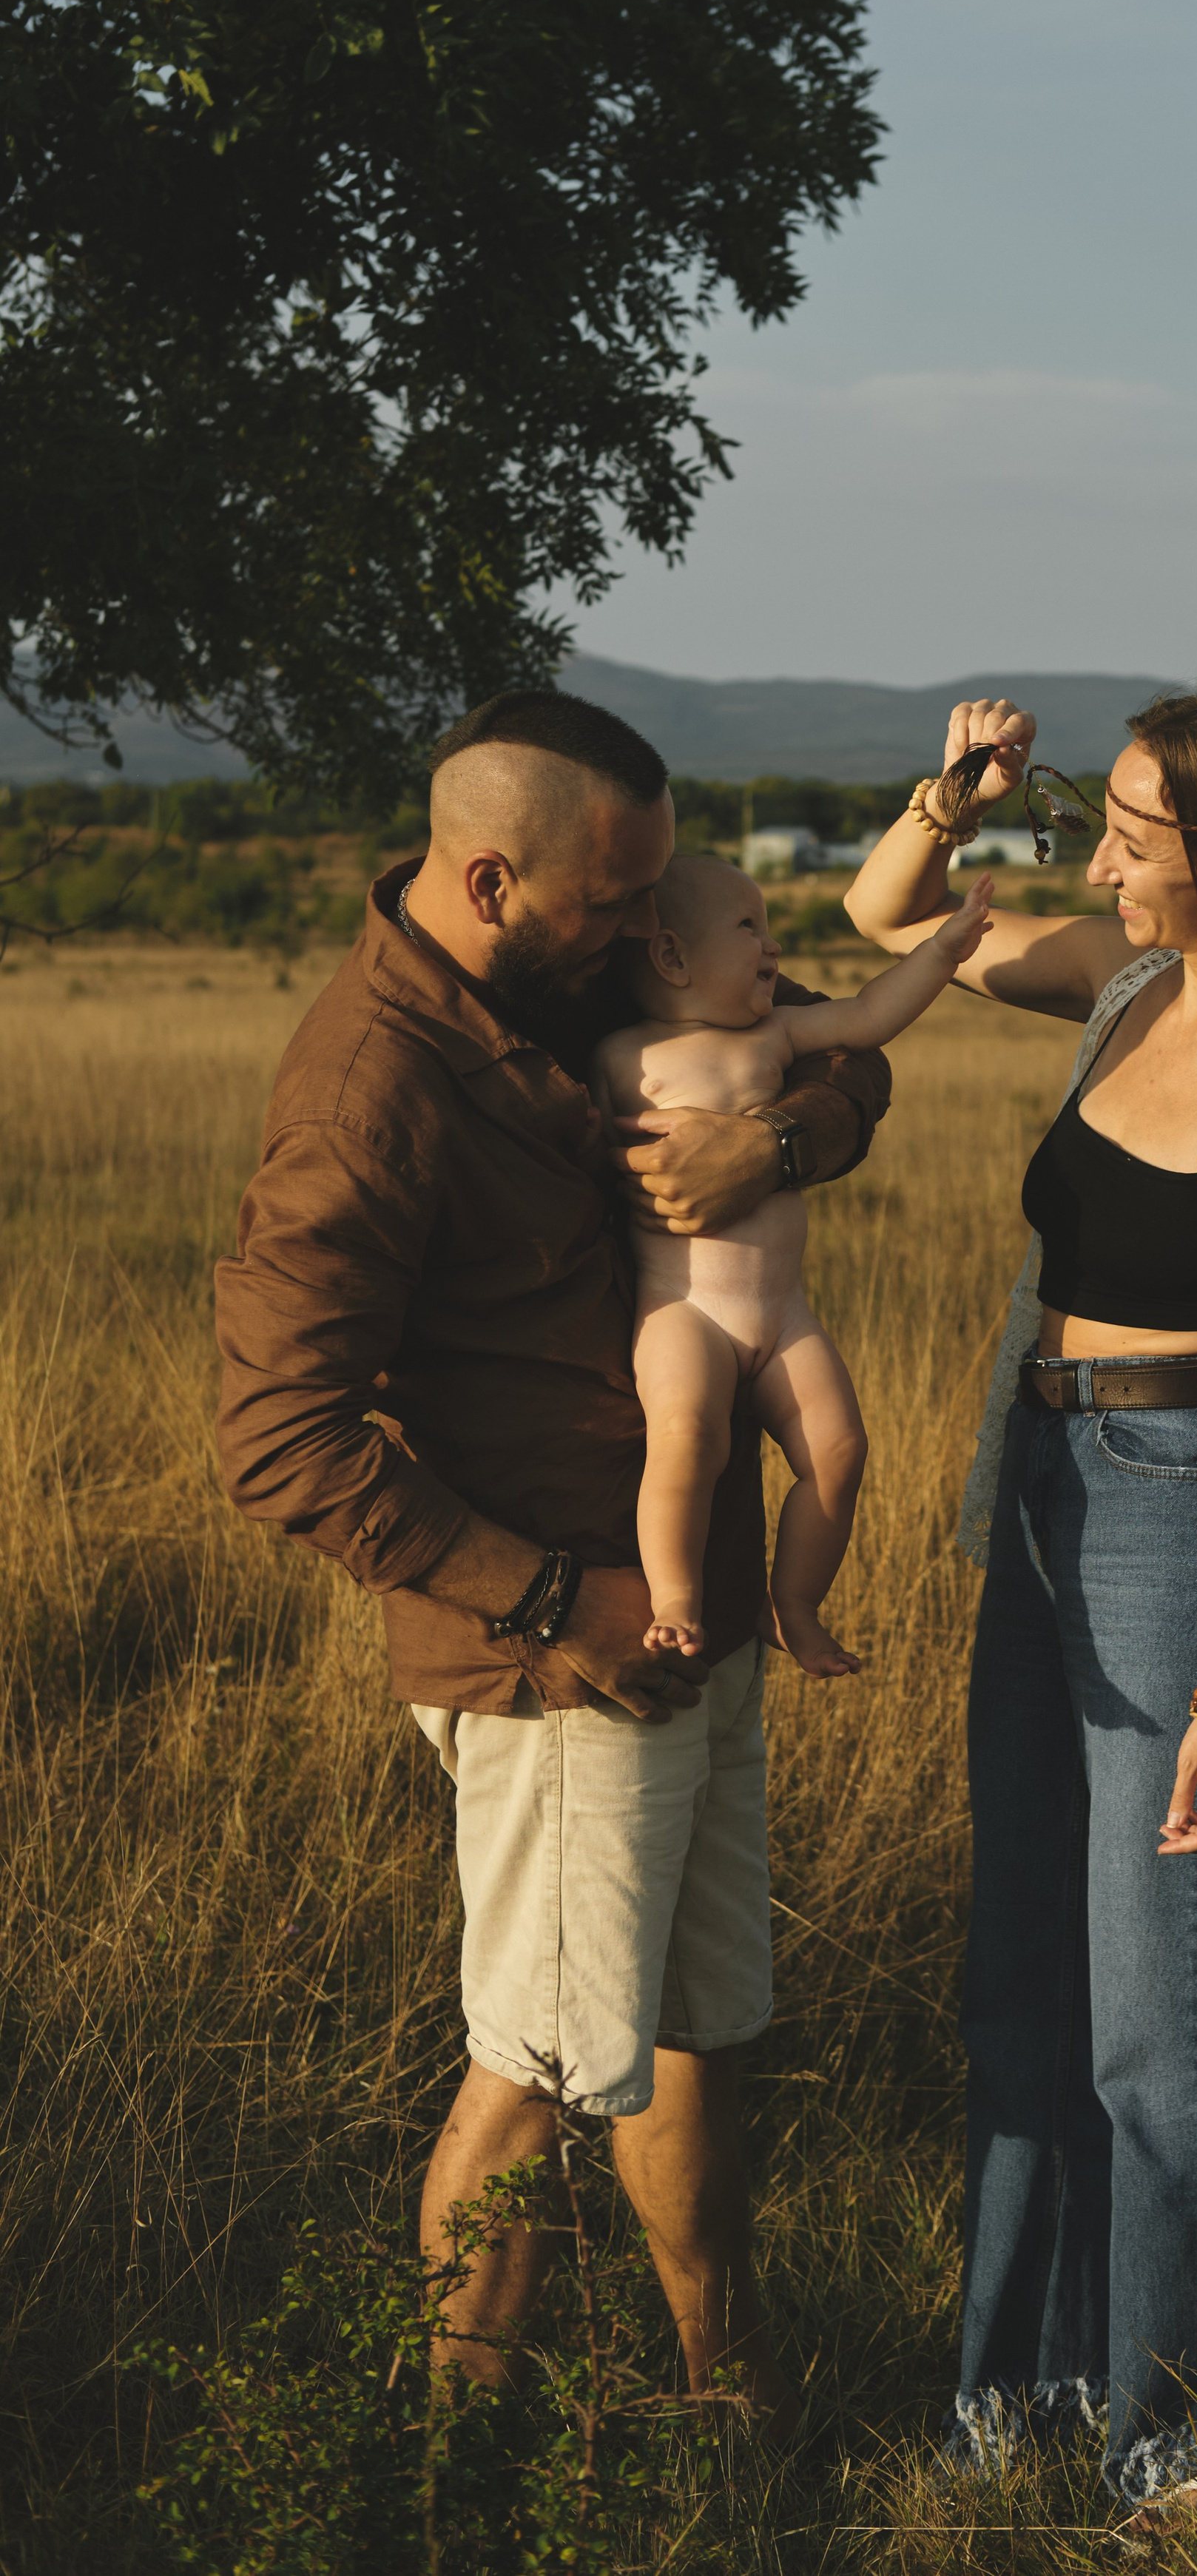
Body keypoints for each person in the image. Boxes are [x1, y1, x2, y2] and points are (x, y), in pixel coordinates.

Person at [215, 688, 893, 2442]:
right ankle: (462, 2476)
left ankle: (724, 2403)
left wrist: (787, 1138)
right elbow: (277, 1434)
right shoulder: (368, 1093)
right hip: (561, 1657)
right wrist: (552, 1601)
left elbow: (833, 1048)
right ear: (498, 879)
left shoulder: (568, 965)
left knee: (688, 2027)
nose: (637, 943)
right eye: (611, 909)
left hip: (700, 1610)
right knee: (532, 2071)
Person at [845, 687, 1197, 2532]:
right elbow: (887, 924)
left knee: (1163, 2008)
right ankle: (1028, 2385)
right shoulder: (1123, 985)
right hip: (1034, 1495)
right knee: (1021, 1981)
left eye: (1131, 837)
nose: (1096, 860)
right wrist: (953, 793)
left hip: (1170, 1531)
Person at [594, 855, 994, 1672]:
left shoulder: (775, 1032)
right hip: (685, 1310)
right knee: (685, 1437)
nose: (773, 947)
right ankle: (675, 1597)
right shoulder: (621, 1057)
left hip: (783, 1314)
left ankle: (795, 1605)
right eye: (749, 929)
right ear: (670, 957)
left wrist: (942, 953)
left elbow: (870, 1015)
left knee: (840, 1451)